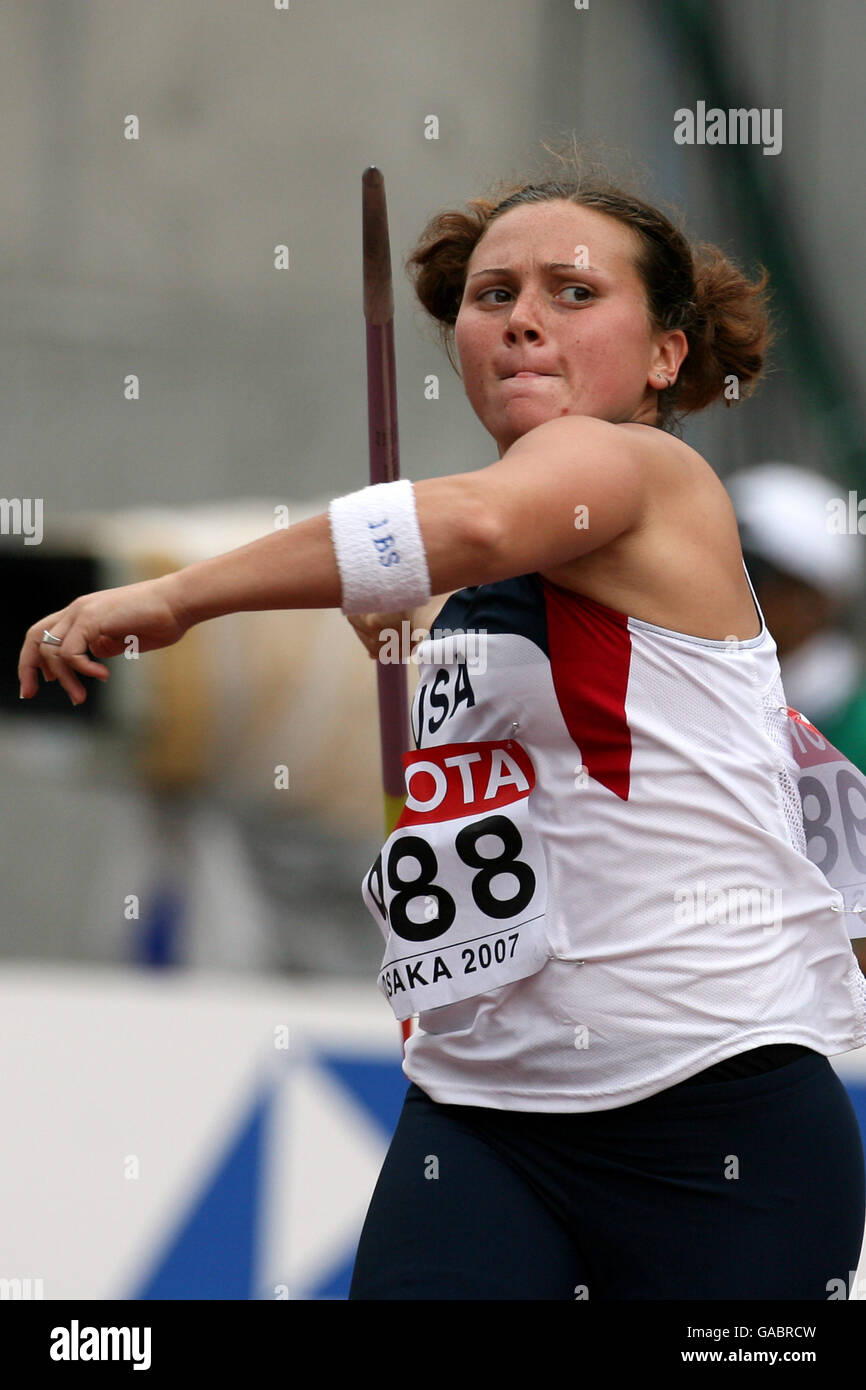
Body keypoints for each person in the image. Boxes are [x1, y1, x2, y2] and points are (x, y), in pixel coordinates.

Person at [18, 162, 866, 1301]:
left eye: (572, 293)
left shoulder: (636, 472)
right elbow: (808, 818)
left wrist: (176, 596)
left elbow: (462, 519)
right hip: (481, 1119)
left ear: (664, 356)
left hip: (707, 1120)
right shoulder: (490, 583)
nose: (520, 315)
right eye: (490, 293)